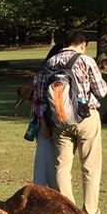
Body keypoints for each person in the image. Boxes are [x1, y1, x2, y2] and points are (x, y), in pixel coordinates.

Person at [33, 30, 107, 214]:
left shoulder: (49, 63)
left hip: (59, 121)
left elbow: (40, 97)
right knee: (90, 165)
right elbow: (101, 91)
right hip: (86, 118)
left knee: (62, 167)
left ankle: (69, 211)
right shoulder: (85, 60)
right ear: (83, 44)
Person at [29, 42, 65, 187]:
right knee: (45, 160)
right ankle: (42, 193)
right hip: (46, 121)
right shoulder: (44, 72)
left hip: (59, 121)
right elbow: (38, 101)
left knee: (56, 160)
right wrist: (43, 124)